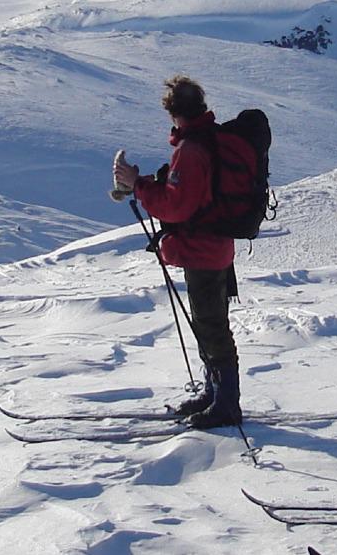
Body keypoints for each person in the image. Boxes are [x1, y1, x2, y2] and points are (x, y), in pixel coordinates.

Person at [113, 76, 242, 429]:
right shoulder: (210, 139)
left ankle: (225, 403)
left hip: (202, 248)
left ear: (173, 113)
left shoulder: (191, 149)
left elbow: (177, 207)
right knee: (207, 322)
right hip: (215, 246)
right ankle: (215, 393)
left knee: (210, 325)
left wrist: (138, 186)